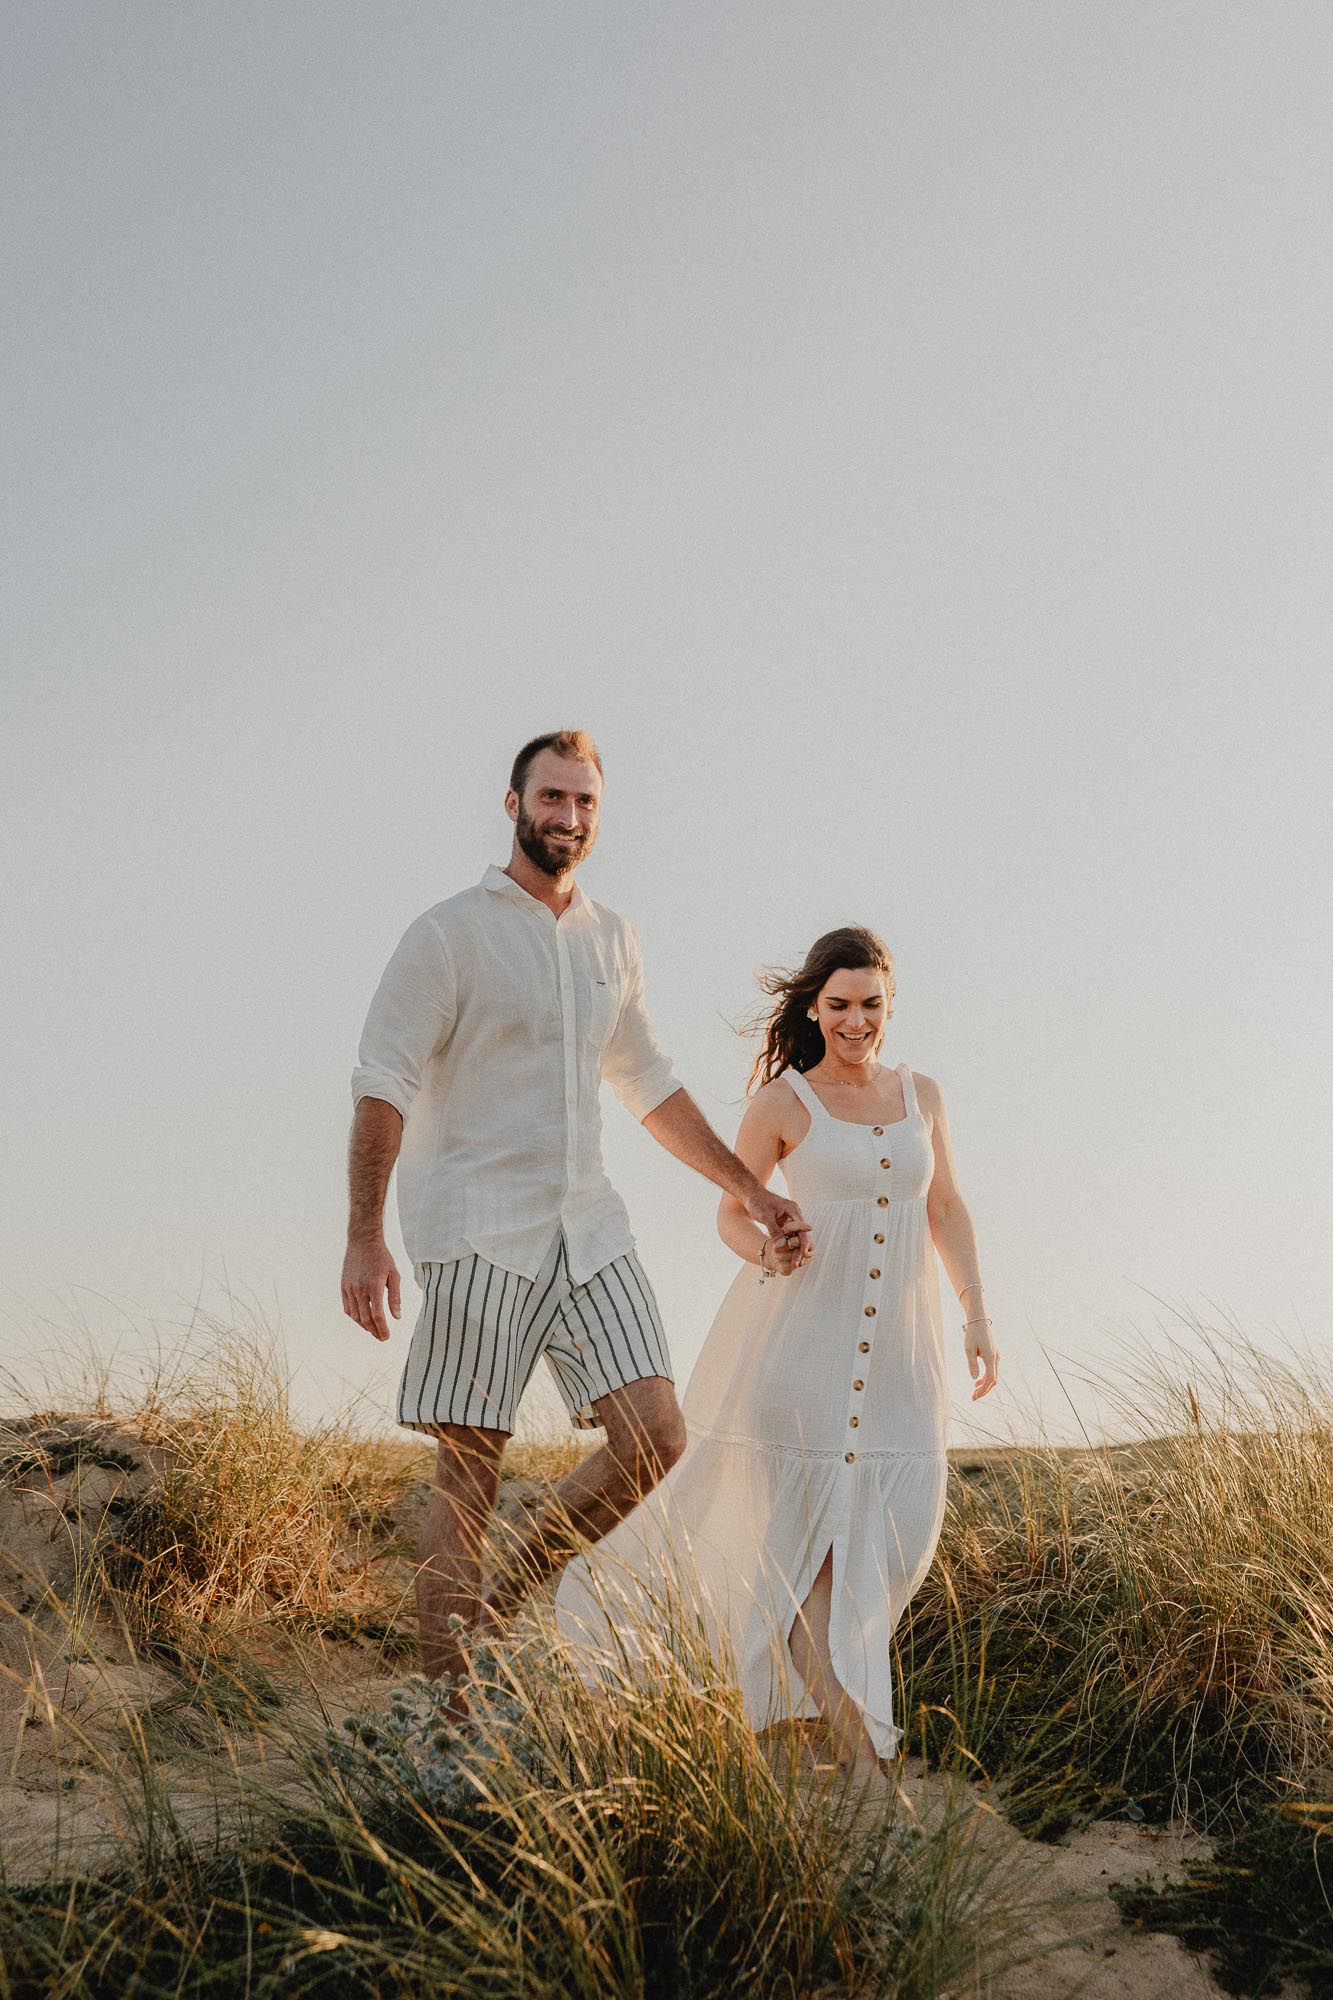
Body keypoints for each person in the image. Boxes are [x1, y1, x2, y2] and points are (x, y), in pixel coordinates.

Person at [341, 728, 811, 1695]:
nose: (569, 817)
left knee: (658, 1435)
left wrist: (750, 1188)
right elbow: (381, 1082)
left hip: (589, 1228)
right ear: (512, 804)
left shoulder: (612, 940)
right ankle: (447, 1714)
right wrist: (364, 1236)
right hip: (479, 1229)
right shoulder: (447, 935)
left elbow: (647, 1082)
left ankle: (503, 1591)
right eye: (552, 798)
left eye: (585, 803)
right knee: (469, 1470)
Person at [555, 926, 998, 1787]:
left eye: (870, 1004)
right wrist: (766, 1250)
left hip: (902, 1366)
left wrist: (976, 1312)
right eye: (838, 1005)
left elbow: (944, 1206)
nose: (855, 1021)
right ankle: (864, 1770)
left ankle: (822, 1704)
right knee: (811, 1570)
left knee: (898, 1534)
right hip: (799, 1354)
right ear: (812, 1006)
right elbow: (732, 1209)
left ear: (889, 1004)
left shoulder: (924, 1097)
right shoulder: (784, 1101)